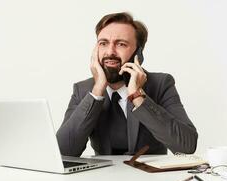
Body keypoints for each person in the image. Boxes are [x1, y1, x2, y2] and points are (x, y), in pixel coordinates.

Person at [56, 12, 198, 156]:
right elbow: (63, 152)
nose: (110, 52)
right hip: (101, 177)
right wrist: (97, 91)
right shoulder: (84, 90)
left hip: (150, 177)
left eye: (121, 44)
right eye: (103, 43)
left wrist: (137, 96)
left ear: (138, 53)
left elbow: (187, 146)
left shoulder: (161, 84)